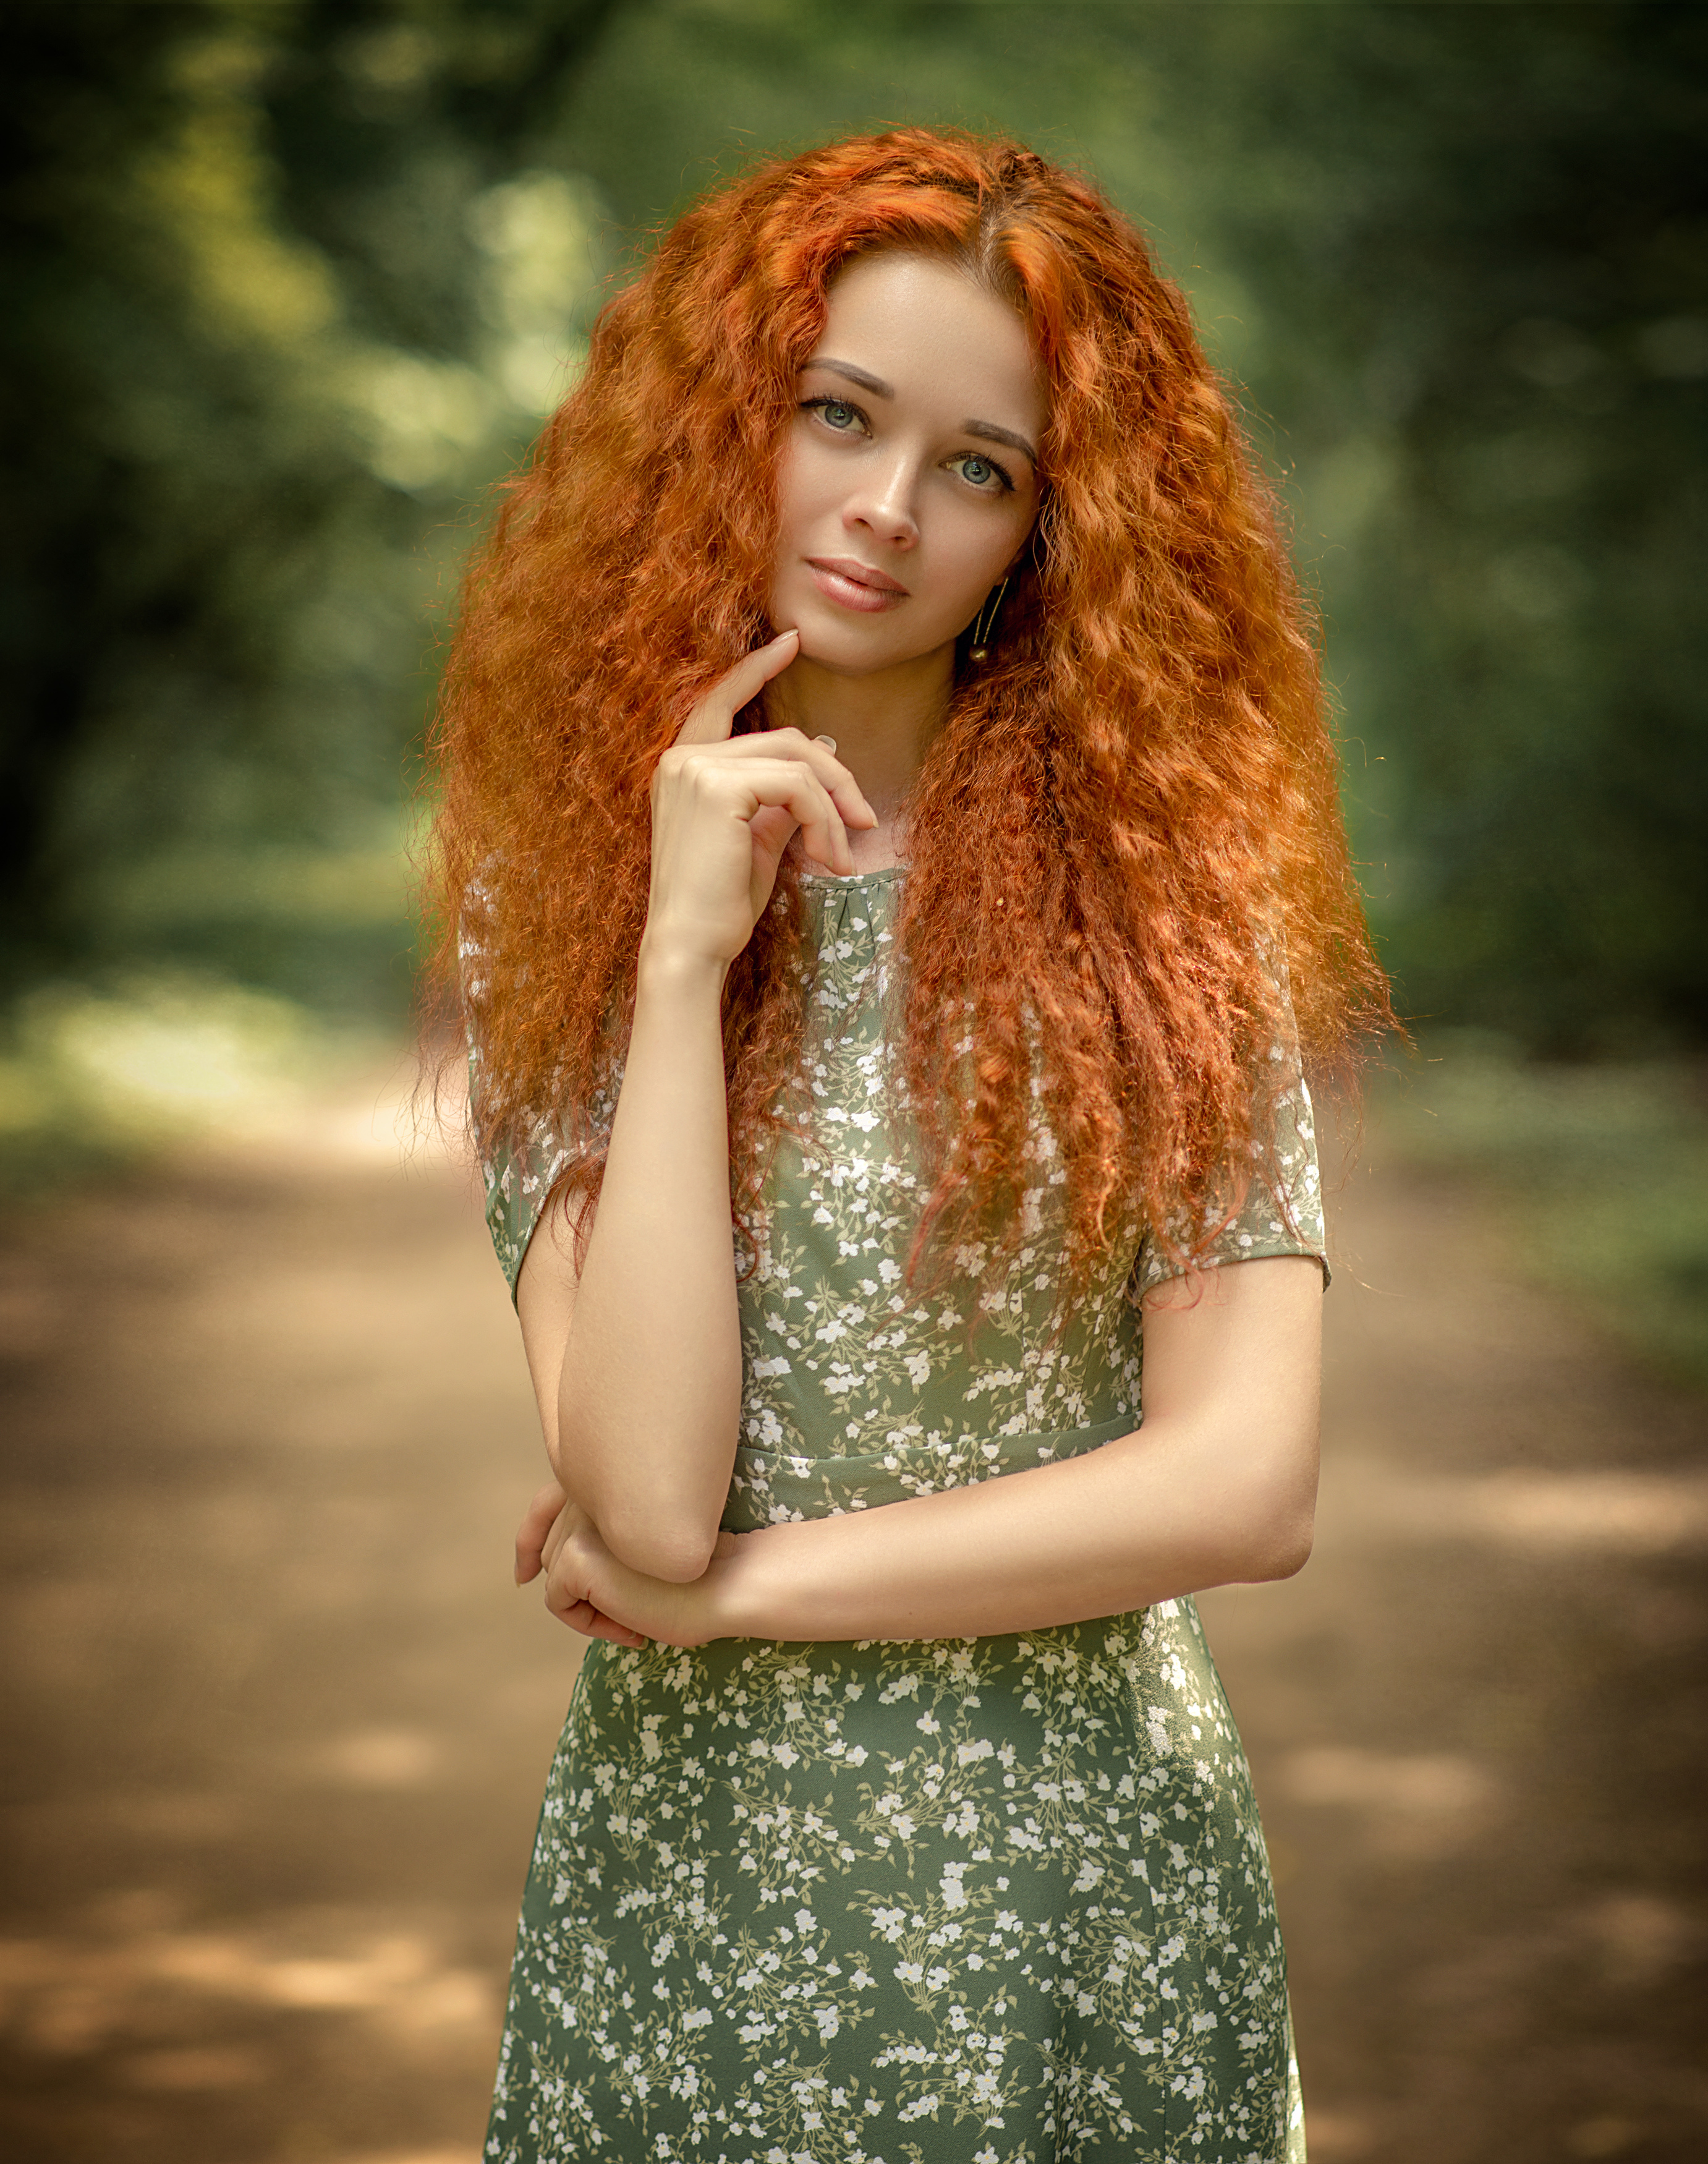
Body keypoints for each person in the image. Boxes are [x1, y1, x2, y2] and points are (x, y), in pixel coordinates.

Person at [432, 127, 1387, 2164]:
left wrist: (736, 1601)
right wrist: (686, 963)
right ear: (730, 425)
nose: (884, 509)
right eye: (836, 415)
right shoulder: (568, 902)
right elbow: (649, 1494)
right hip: (690, 1908)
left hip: (1083, 1914)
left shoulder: (1160, 907)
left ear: (1052, 528)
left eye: (980, 464)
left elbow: (1247, 1479)